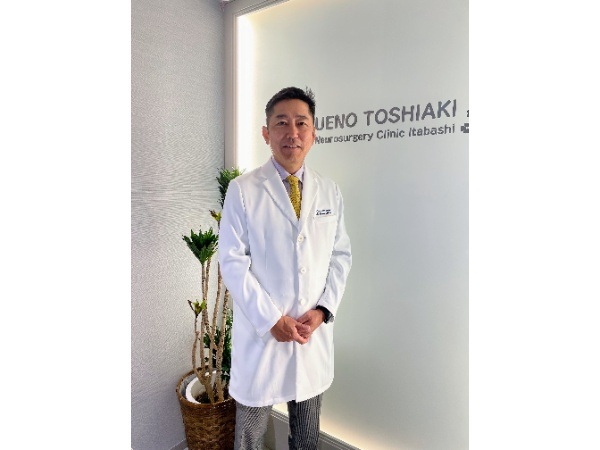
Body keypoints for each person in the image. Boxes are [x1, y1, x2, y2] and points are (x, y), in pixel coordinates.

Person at [218, 86, 352, 450]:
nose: (292, 132)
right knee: (250, 435)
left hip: (310, 334)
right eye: (281, 123)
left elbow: (340, 255)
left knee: (306, 436)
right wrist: (271, 319)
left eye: (301, 123)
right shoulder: (243, 190)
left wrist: (323, 310)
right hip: (262, 336)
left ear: (313, 133)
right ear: (266, 133)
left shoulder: (329, 191)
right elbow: (232, 261)